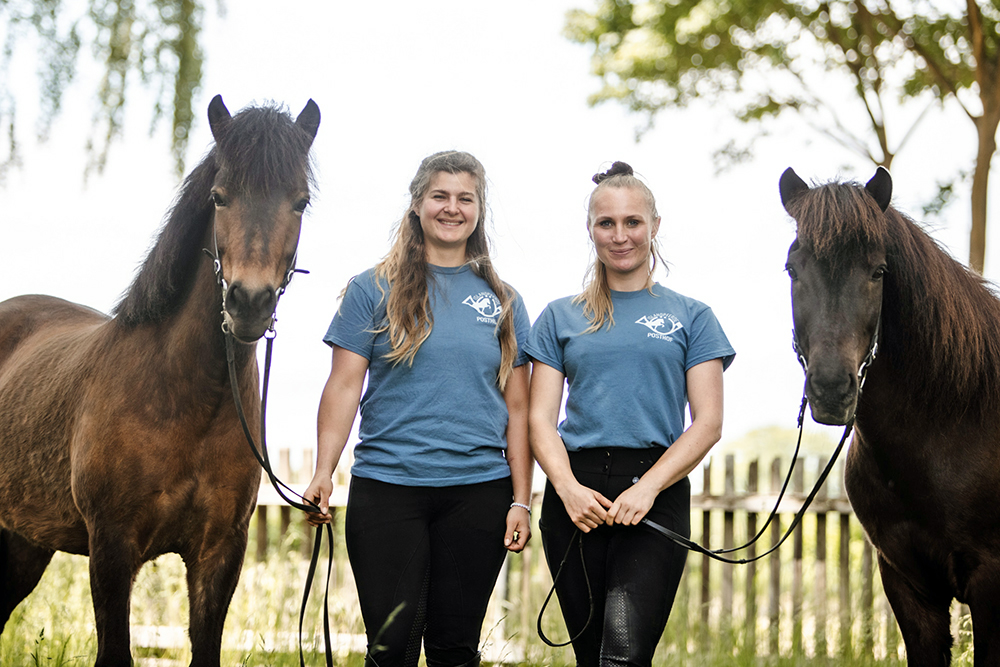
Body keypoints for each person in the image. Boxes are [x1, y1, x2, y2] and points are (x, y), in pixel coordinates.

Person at [302, 151, 533, 667]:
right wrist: (323, 470)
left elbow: (519, 408)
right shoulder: (370, 289)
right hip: (388, 490)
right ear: (417, 205)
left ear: (478, 211)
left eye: (464, 199)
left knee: (454, 648)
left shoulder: (504, 300)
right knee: (392, 646)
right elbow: (343, 387)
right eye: (440, 196)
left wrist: (520, 500)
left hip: (477, 493)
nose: (452, 209)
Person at [525, 161, 735, 665]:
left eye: (632, 222)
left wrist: (648, 488)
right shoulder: (559, 315)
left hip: (654, 491)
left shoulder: (693, 316)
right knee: (589, 654)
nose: (620, 236)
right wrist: (568, 490)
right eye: (607, 223)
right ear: (592, 230)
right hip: (576, 496)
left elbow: (707, 423)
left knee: (624, 653)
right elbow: (539, 419)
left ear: (654, 225)